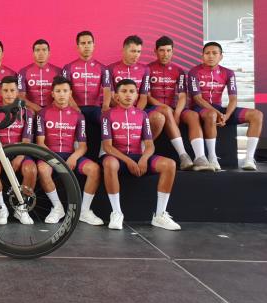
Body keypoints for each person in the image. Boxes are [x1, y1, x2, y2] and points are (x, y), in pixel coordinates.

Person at [101, 79, 180, 230]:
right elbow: (107, 147)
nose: (128, 95)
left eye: (132, 91)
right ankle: (116, 213)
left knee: (169, 164)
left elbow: (150, 145)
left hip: (139, 156)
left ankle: (160, 215)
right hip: (118, 157)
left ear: (137, 95)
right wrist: (128, 161)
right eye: (124, 91)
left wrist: (144, 158)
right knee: (109, 163)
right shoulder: (107, 115)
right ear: (116, 96)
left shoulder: (142, 114)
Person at [36, 76, 103, 225]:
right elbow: (40, 143)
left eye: (65, 91)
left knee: (95, 169)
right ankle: (57, 208)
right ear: (52, 93)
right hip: (49, 153)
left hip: (71, 154)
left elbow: (83, 146)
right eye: (58, 91)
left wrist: (73, 157)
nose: (61, 94)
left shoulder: (78, 116)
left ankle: (84, 211)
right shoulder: (42, 113)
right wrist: (55, 159)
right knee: (42, 169)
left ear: (70, 93)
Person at [189, 42, 263, 171]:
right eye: (207, 53)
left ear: (221, 56)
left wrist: (226, 115)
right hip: (199, 109)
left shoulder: (228, 73)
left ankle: (249, 158)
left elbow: (233, 99)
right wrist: (217, 113)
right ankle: (212, 157)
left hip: (219, 109)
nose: (210, 56)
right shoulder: (194, 72)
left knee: (257, 115)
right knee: (211, 114)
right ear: (202, 56)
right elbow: (197, 98)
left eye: (214, 53)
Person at [148, 36, 213, 171]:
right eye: (161, 50)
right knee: (166, 111)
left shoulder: (179, 71)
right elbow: (147, 96)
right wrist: (164, 107)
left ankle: (200, 157)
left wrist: (177, 113)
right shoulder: (147, 69)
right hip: (156, 107)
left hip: (174, 108)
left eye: (168, 50)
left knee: (193, 116)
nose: (165, 54)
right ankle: (183, 156)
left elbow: (183, 96)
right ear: (155, 51)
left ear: (173, 51)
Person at [0, 76, 35, 225]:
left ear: (17, 92)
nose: (9, 94)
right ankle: (2, 209)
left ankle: (22, 208)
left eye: (12, 90)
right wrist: (1, 158)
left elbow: (26, 140)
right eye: (5, 90)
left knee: (31, 170)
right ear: (0, 92)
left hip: (20, 151)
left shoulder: (27, 113)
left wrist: (20, 156)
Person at [108, 35, 165, 141]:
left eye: (139, 52)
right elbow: (111, 97)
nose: (136, 55)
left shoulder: (145, 69)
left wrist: (135, 113)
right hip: (117, 109)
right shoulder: (110, 69)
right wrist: (125, 110)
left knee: (159, 118)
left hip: (138, 109)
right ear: (124, 50)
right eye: (133, 51)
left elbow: (143, 97)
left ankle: (143, 147)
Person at [62, 31, 111, 125]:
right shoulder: (68, 68)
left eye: (89, 43)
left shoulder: (103, 68)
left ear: (94, 45)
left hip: (95, 109)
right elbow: (65, 90)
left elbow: (107, 89)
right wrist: (74, 107)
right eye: (83, 43)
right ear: (77, 47)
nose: (86, 46)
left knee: (98, 129)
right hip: (75, 107)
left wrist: (105, 106)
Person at [18, 39, 62, 112]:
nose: (41, 53)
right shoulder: (23, 72)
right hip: (32, 109)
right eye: (37, 50)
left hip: (53, 109)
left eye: (44, 50)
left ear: (49, 53)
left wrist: (50, 109)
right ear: (33, 53)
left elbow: (62, 93)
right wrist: (36, 108)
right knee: (29, 112)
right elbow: (20, 96)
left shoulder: (58, 71)